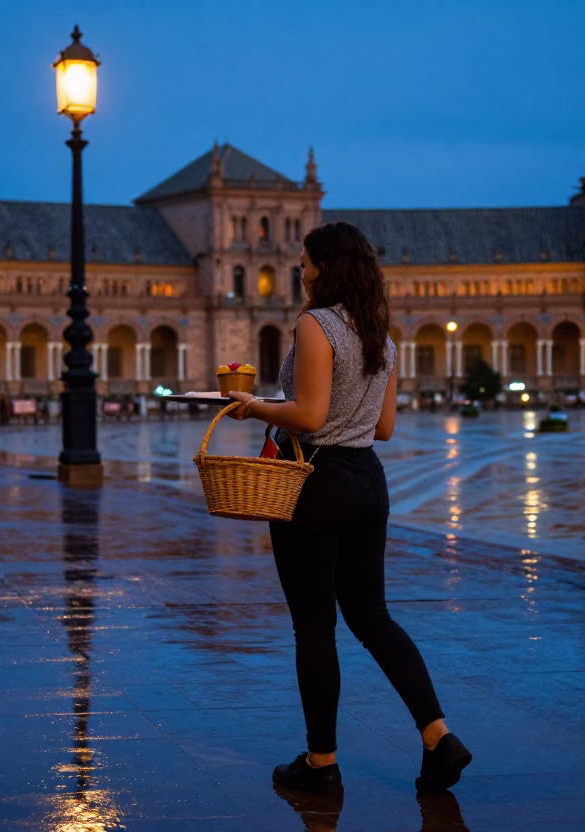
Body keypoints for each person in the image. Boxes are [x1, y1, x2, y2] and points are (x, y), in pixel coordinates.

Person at [227, 221, 471, 795]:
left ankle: (321, 763)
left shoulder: (315, 324)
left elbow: (309, 416)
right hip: (368, 481)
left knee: (314, 624)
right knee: (373, 616)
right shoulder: (381, 336)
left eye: (305, 263)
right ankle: (438, 736)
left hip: (315, 481)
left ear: (325, 268)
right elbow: (384, 428)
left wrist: (253, 406)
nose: (301, 271)